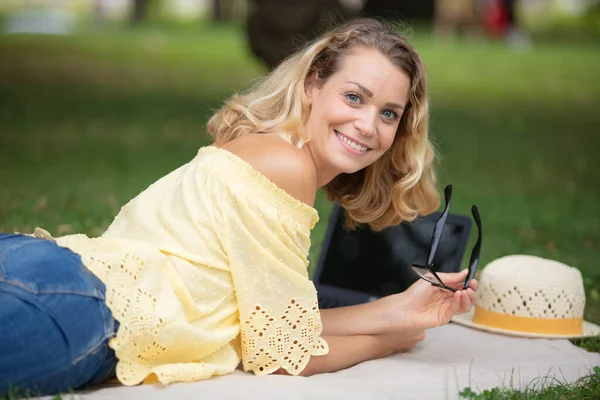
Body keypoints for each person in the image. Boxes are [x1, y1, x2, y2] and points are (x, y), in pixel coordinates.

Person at [0, 18, 478, 397]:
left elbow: (271, 326)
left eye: (388, 113)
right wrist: (392, 341)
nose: (368, 125)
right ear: (313, 85)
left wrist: (399, 312)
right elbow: (284, 353)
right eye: (354, 97)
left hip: (62, 277)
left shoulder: (273, 151)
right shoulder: (286, 167)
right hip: (81, 305)